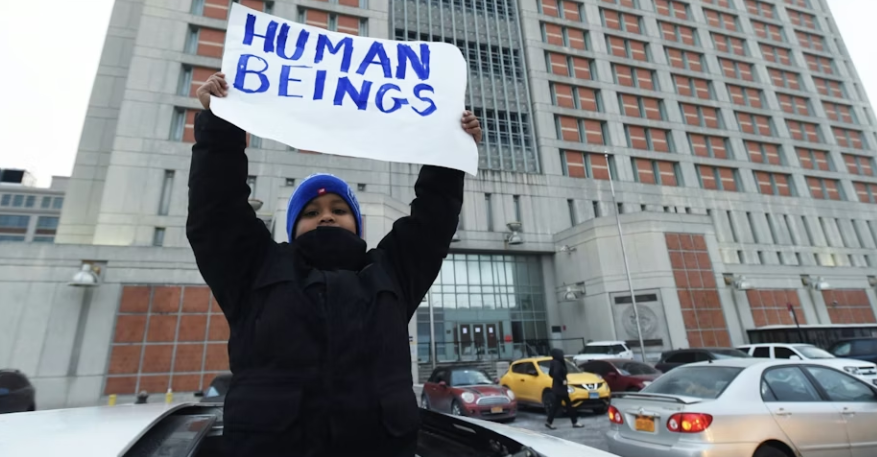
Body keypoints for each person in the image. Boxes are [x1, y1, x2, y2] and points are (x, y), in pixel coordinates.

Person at [186, 72, 482, 457]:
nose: (326, 216)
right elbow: (216, 212)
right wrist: (220, 125)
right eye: (311, 212)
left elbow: (431, 222)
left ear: (357, 224)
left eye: (339, 209)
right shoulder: (255, 271)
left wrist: (450, 151)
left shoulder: (390, 274)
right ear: (292, 228)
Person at [545, 349, 583, 430]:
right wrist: (562, 380)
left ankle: (549, 421)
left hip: (557, 388)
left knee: (558, 405)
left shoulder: (553, 362)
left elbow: (551, 373)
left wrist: (557, 380)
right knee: (568, 405)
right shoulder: (558, 363)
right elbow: (555, 373)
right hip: (561, 388)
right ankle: (574, 422)